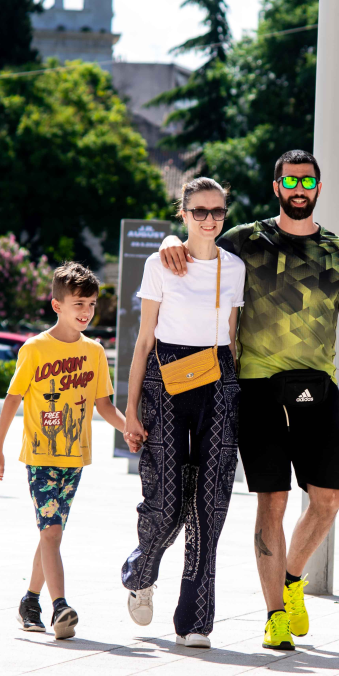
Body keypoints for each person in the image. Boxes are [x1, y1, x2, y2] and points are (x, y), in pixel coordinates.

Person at [158, 150, 339, 651]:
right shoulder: (245, 241)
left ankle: (291, 579)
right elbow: (199, 240)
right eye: (290, 180)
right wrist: (171, 240)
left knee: (328, 499)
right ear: (277, 186)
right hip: (257, 389)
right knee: (273, 500)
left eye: (307, 181)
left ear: (318, 188)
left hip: (318, 389)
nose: (299, 188)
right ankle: (275, 615)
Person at [120, 178, 246, 649]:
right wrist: (130, 410)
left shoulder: (234, 268)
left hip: (219, 377)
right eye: (199, 211)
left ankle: (195, 619)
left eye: (217, 211)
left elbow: (233, 336)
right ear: (184, 213)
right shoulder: (160, 263)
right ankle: (142, 573)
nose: (209, 219)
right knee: (167, 499)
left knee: (210, 503)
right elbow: (143, 340)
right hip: (165, 377)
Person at [0, 263, 126, 640]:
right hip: (40, 458)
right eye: (79, 303)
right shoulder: (34, 348)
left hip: (75, 459)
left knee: (52, 534)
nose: (86, 311)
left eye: (91, 304)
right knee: (50, 531)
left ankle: (29, 601)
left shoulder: (95, 352)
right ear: (57, 305)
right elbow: (12, 399)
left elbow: (104, 405)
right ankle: (60, 606)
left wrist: (131, 429)